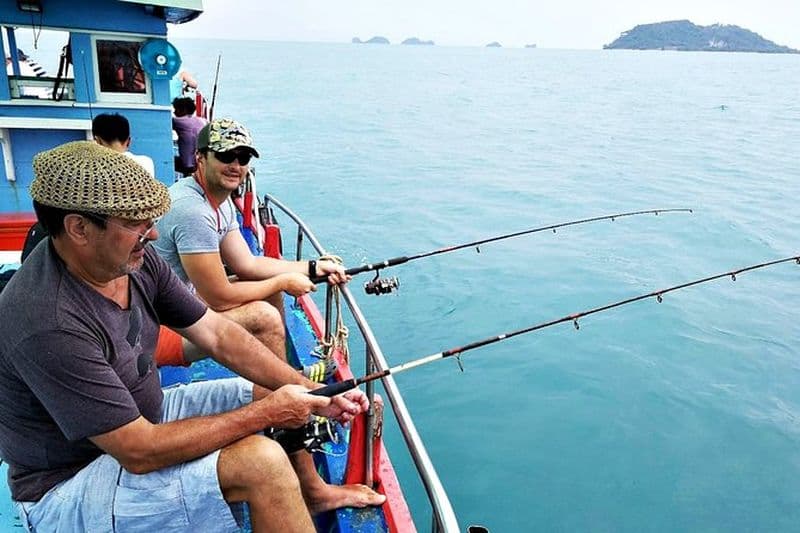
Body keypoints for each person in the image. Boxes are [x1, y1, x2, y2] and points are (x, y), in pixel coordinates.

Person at [0, 141, 384, 532]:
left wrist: (312, 391)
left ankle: (310, 489)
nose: (153, 234)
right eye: (135, 224)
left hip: (145, 414)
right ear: (79, 228)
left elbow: (217, 333)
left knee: (273, 392)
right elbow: (139, 451)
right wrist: (269, 414)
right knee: (262, 463)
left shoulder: (132, 261)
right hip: (69, 485)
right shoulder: (47, 321)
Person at [152, 118, 345, 376]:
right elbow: (219, 298)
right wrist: (283, 282)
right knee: (264, 316)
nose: (235, 166)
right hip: (152, 331)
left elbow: (247, 264)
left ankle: (290, 374)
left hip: (176, 306)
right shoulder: (192, 210)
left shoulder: (219, 201)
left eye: (243, 158)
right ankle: (287, 390)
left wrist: (312, 267)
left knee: (267, 289)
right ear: (200, 158)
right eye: (225, 156)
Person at [172, 96, 207, 176]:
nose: (174, 112)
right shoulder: (202, 121)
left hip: (188, 165)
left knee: (165, 160)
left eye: (176, 109)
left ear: (183, 110)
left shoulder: (179, 122)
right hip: (201, 163)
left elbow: (164, 122)